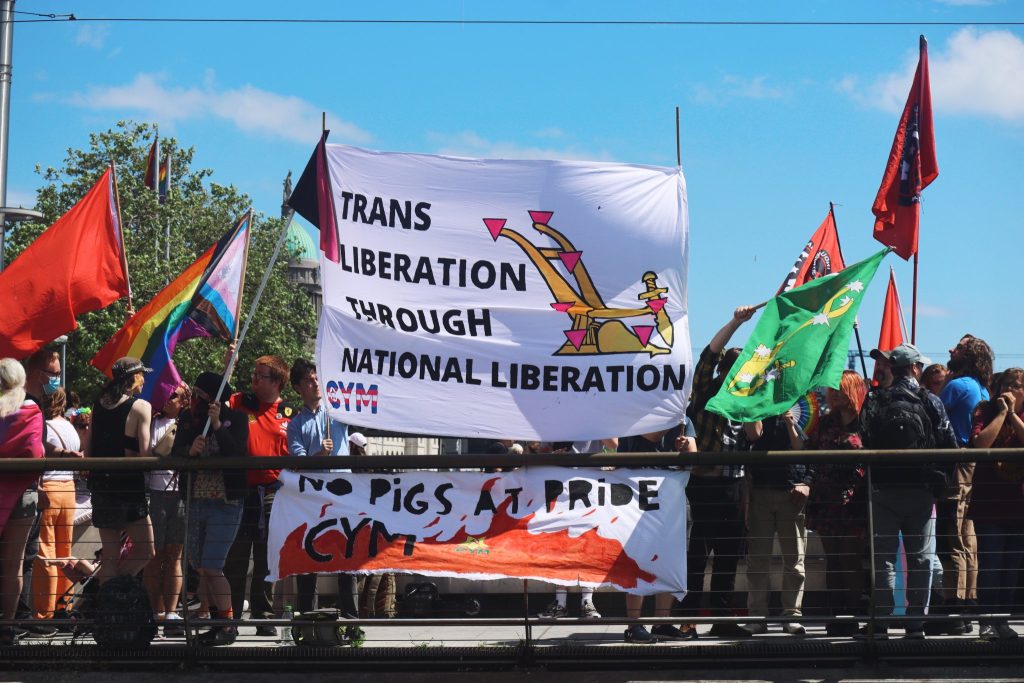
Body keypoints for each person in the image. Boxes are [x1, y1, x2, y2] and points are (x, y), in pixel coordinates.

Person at [859, 343, 959, 639]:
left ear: (894, 367)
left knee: (884, 557)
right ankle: (915, 624)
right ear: (915, 368)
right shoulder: (930, 400)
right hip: (921, 489)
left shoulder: (876, 398)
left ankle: (881, 621)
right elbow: (949, 443)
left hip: (883, 488)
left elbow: (864, 437)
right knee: (921, 557)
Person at [681, 305, 754, 638]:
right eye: (735, 368)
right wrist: (736, 322)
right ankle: (688, 618)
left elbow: (757, 437)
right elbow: (708, 355)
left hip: (735, 485)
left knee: (728, 554)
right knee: (699, 554)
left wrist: (753, 406)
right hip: (707, 484)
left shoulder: (748, 399)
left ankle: (723, 619)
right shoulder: (706, 394)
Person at [171, 372, 249, 646]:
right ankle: (217, 621)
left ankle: (227, 624)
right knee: (201, 566)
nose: (195, 399)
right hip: (195, 500)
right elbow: (175, 454)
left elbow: (236, 453)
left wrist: (217, 425)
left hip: (225, 503)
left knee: (213, 566)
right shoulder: (188, 420)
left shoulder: (237, 419)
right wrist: (188, 451)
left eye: (201, 394)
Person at [224, 355, 295, 635]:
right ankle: (230, 617)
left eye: (260, 376)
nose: (254, 380)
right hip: (242, 491)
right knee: (236, 556)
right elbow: (219, 395)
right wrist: (229, 363)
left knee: (267, 557)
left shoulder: (289, 413)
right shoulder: (241, 403)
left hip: (273, 494)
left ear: (277, 382)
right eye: (254, 374)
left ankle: (263, 615)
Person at [286, 358, 358, 616]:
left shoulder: (336, 412)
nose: (315, 383)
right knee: (309, 555)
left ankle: (351, 618)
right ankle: (308, 618)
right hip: (314, 495)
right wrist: (319, 454)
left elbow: (357, 403)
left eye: (317, 378)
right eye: (308, 380)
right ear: (298, 388)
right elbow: (298, 459)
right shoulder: (295, 424)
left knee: (346, 554)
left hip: (342, 491)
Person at [932, 335, 992, 633]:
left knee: (950, 539)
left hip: (953, 468)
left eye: (956, 348)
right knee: (967, 540)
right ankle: (968, 603)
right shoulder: (981, 387)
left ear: (965, 356)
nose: (949, 350)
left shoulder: (956, 386)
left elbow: (933, 416)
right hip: (971, 469)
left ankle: (951, 609)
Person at [617, 423, 694, 643]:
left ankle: (662, 622)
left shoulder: (682, 417)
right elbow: (651, 434)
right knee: (637, 558)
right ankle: (634, 626)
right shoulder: (643, 411)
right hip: (638, 497)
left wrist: (685, 447)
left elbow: (694, 457)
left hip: (670, 497)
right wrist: (675, 419)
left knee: (668, 559)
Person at [806, 371, 868, 636]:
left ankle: (853, 614)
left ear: (853, 391)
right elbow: (811, 452)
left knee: (850, 558)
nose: (834, 394)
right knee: (833, 559)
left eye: (840, 389)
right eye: (832, 389)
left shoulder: (865, 421)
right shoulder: (826, 422)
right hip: (826, 498)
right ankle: (835, 615)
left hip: (854, 499)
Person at [742, 408, 813, 636]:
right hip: (761, 489)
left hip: (791, 491)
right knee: (757, 559)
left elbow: (803, 449)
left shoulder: (800, 406)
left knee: (794, 559)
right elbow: (752, 436)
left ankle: (791, 614)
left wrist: (790, 423)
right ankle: (757, 616)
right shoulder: (758, 403)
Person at [85, 356, 156, 584]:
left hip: (101, 486)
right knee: (146, 551)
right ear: (134, 377)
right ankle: (118, 591)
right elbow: (145, 455)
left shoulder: (98, 403)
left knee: (109, 558)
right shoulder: (141, 406)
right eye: (142, 374)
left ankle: (106, 609)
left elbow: (87, 450)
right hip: (128, 487)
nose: (144, 379)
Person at [967, 368, 1024, 640]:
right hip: (990, 503)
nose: (1012, 389)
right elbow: (980, 444)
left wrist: (1013, 415)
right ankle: (987, 621)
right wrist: (1002, 413)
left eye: (1018, 385)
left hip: (1019, 505)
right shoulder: (985, 409)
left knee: (1011, 567)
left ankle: (1003, 620)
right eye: (1007, 384)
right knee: (991, 564)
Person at [0, 358, 45, 645]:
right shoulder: (32, 411)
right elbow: (35, 452)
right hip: (23, 495)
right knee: (13, 563)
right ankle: (7, 627)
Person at [30, 387, 82, 633]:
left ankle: (44, 613)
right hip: (69, 490)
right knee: (65, 551)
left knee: (46, 555)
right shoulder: (70, 428)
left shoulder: (44, 427)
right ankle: (65, 607)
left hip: (49, 489)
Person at [143, 383, 188, 638]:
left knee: (174, 554)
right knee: (153, 554)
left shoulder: (187, 425)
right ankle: (152, 611)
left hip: (179, 495)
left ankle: (171, 612)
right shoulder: (151, 420)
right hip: (155, 494)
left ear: (184, 401)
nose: (169, 398)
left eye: (174, 395)